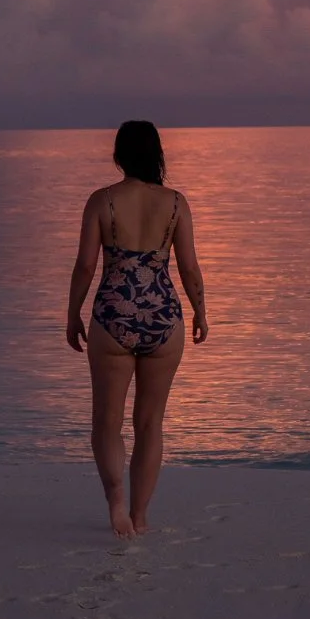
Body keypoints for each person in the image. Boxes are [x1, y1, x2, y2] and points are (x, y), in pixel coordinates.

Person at [66, 120, 208, 537]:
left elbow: (86, 266)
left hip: (113, 315)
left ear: (119, 154)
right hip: (164, 316)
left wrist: (72, 314)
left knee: (106, 422)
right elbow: (189, 267)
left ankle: (117, 504)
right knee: (150, 423)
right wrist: (201, 311)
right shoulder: (177, 203)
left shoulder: (101, 201)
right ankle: (141, 516)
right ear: (157, 153)